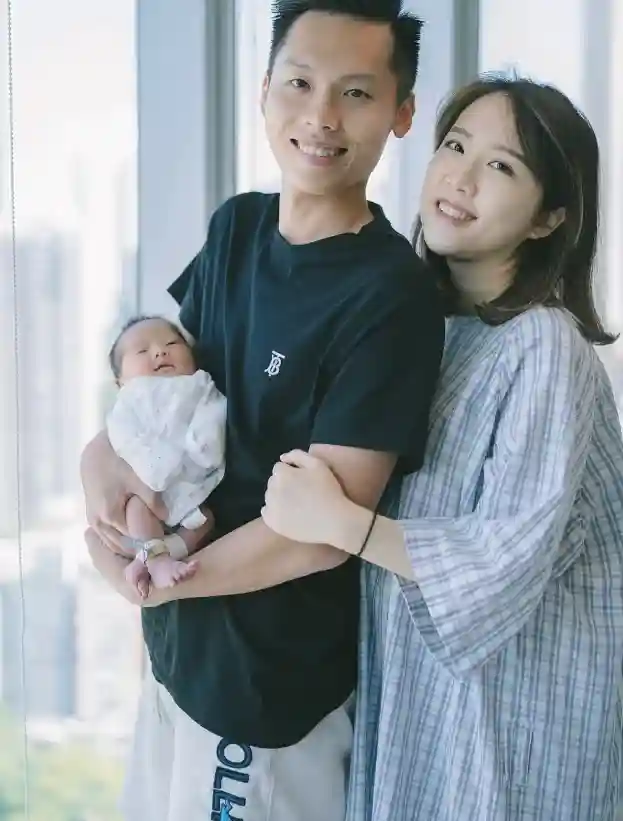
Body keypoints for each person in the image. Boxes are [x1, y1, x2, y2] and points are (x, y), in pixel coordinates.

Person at [80, 2, 445, 821]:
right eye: (300, 83)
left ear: (400, 112)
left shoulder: (391, 295)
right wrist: (96, 462)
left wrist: (162, 581)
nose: (321, 116)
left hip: (265, 693)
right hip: (177, 657)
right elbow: (165, 401)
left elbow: (318, 534)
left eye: (356, 92)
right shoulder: (237, 227)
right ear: (264, 92)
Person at [261, 76, 623, 821]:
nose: (461, 177)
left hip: (515, 718)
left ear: (549, 217)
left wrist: (342, 523)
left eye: (501, 166)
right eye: (455, 147)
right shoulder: (416, 325)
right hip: (420, 706)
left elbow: (505, 556)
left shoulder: (543, 346)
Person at [106, 315, 225, 596]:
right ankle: (158, 562)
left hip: (192, 483)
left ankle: (149, 557)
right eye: (142, 351)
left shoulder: (200, 384)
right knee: (137, 508)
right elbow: (125, 438)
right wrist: (156, 464)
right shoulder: (129, 401)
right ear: (120, 381)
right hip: (148, 481)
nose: (160, 351)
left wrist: (204, 445)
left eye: (172, 343)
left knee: (205, 521)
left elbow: (214, 414)